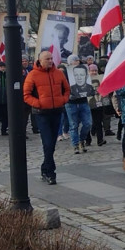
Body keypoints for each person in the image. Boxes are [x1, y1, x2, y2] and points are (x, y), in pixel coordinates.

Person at [22, 49, 70, 185]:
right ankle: (50, 172)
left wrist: (63, 100)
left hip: (56, 111)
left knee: (52, 144)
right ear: (40, 60)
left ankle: (45, 168)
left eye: (51, 59)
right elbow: (26, 95)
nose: (50, 61)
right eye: (47, 59)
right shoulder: (32, 75)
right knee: (47, 143)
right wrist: (39, 104)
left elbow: (67, 89)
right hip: (42, 113)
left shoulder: (59, 73)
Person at [65, 64, 94, 155]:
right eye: (76, 75)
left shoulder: (88, 86)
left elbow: (92, 92)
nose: (79, 78)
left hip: (83, 102)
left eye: (81, 75)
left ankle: (82, 140)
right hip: (71, 103)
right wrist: (68, 96)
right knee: (73, 125)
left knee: (88, 123)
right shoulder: (66, 78)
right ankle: (75, 144)